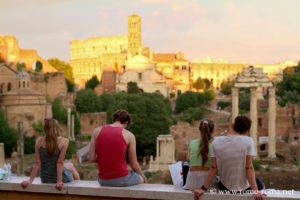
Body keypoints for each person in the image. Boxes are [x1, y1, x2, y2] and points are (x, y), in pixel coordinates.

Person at [193, 116, 265, 200]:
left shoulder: (216, 141)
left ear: (233, 126)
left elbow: (213, 168)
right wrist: (255, 191)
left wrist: (203, 188)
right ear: (247, 131)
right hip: (244, 189)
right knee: (260, 183)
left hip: (224, 188)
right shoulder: (249, 141)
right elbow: (249, 167)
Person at [88, 110, 147, 187]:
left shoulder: (96, 131)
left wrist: (105, 158)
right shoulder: (130, 135)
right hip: (122, 179)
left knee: (128, 170)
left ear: (114, 120)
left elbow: (91, 158)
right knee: (141, 178)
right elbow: (134, 164)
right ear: (126, 123)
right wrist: (142, 175)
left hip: (103, 180)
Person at [21, 118, 80, 190]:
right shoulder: (64, 141)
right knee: (71, 167)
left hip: (44, 178)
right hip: (59, 178)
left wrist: (30, 180)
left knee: (69, 165)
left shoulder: (38, 141)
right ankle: (79, 186)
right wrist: (59, 181)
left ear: (45, 128)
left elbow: (37, 163)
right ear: (57, 128)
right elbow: (59, 162)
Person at [183, 119, 214, 190]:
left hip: (192, 181)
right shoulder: (215, 144)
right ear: (213, 131)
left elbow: (188, 159)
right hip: (208, 182)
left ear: (200, 130)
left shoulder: (192, 143)